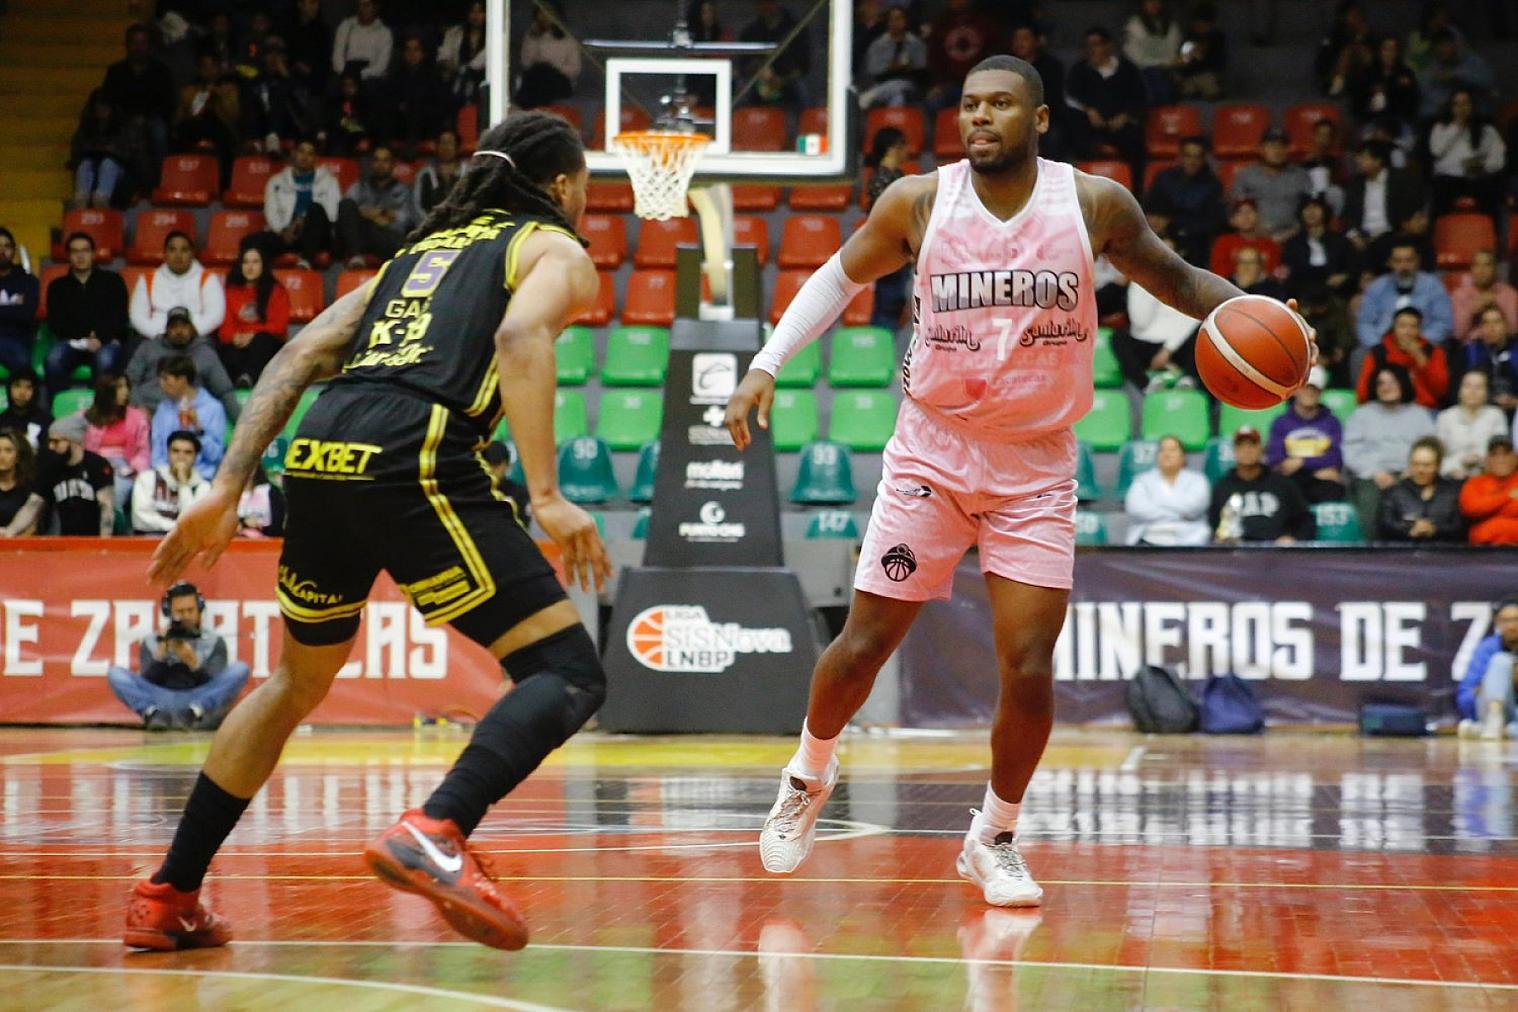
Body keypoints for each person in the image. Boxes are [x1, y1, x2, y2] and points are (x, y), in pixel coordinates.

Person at [723, 55, 1302, 908]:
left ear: (1038, 119)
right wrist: (766, 364)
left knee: (1028, 666)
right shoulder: (918, 202)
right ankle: (809, 773)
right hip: (933, 452)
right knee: (865, 644)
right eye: (968, 105)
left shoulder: (1093, 204)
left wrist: (1270, 318)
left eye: (999, 104)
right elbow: (839, 277)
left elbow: (1180, 282)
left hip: (1036, 465)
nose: (979, 117)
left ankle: (993, 836)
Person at [123, 111, 611, 954]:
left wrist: (227, 485)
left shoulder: (412, 257)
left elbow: (299, 355)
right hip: (413, 450)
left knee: (294, 684)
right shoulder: (552, 248)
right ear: (562, 186)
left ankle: (168, 893)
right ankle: (437, 829)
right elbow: (520, 333)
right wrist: (547, 494)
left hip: (319, 450)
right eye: (587, 190)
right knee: (566, 671)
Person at [107, 582, 250, 730]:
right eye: (180, 612)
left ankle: (193, 713)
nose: (186, 616)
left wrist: (193, 662)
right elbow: (147, 680)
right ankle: (153, 714)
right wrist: (161, 655)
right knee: (115, 673)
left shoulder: (214, 641)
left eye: (190, 610)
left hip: (198, 698)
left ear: (200, 609)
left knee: (240, 669)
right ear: (169, 612)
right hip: (161, 698)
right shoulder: (153, 640)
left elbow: (216, 684)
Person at [1343, 363, 1436, 536]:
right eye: (1381, 383)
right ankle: (1372, 548)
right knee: (1368, 499)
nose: (1386, 387)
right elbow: (1350, 451)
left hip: (1412, 474)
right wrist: (1374, 472)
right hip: (1372, 477)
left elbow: (1431, 449)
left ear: (1403, 383)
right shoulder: (1362, 415)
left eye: (1392, 382)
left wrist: (1414, 469)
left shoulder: (1420, 415)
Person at [45, 232, 130, 395]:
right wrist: (85, 338)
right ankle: (58, 408)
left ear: (93, 254)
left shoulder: (113, 280)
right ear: (68, 256)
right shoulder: (57, 286)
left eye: (85, 250)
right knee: (53, 360)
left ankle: (101, 408)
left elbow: (120, 316)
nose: (80, 256)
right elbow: (56, 322)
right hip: (72, 342)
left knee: (105, 361)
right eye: (75, 251)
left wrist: (100, 337)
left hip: (106, 340)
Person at [1116, 231, 1200, 391]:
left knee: (1203, 330)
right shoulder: (1139, 281)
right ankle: (1146, 385)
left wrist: (1168, 350)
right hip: (1147, 344)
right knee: (1118, 338)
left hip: (1178, 345)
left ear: (1178, 255)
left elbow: (1194, 319)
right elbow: (1140, 322)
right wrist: (1154, 283)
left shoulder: (1190, 280)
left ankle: (1189, 379)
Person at [126, 307, 239, 421]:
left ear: (192, 328)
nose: (179, 331)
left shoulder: (205, 353)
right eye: (174, 327)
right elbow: (129, 381)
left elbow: (224, 391)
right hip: (148, 412)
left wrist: (241, 422)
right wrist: (138, 407)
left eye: (184, 326)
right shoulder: (148, 348)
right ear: (166, 329)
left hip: (188, 415)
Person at [11, 414, 116, 537]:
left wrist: (104, 543)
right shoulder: (52, 467)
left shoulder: (97, 465)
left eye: (56, 441)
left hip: (94, 538)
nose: (51, 446)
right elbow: (34, 504)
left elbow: (106, 506)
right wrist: (10, 531)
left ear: (73, 441)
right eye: (50, 441)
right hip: (65, 538)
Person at [1208, 425, 1315, 543]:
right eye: (1241, 445)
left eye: (1252, 445)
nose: (1247, 450)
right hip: (1237, 550)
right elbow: (1214, 524)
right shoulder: (1222, 487)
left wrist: (1292, 538)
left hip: (1276, 550)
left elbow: (1306, 520)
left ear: (1261, 449)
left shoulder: (1283, 484)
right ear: (1234, 450)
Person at [99, 24, 174, 187]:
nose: (138, 48)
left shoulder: (160, 71)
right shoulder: (115, 71)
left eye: (142, 43)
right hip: (121, 118)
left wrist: (145, 117)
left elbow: (167, 102)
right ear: (127, 45)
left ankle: (162, 182)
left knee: (159, 133)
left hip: (152, 118)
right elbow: (108, 99)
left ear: (149, 46)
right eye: (134, 43)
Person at [1065, 26, 1147, 177]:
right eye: (1087, 46)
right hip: (1090, 126)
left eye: (1096, 45)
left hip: (1121, 125)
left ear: (1109, 46)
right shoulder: (1078, 70)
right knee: (1073, 136)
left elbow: (1140, 98)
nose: (1091, 50)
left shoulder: (1128, 69)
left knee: (1135, 143)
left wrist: (1125, 115)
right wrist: (1088, 110)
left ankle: (1135, 188)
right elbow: (1070, 98)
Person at [1266, 365, 1347, 503]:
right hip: (1292, 481)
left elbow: (1335, 458)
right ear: (1296, 390)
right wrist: (1316, 468)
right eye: (1305, 387)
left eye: (1314, 389)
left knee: (1334, 489)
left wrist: (1300, 462)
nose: (1309, 393)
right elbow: (1277, 461)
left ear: (1321, 392)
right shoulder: (1281, 423)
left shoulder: (1332, 422)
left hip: (1321, 483)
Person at [1143, 136, 1226, 268]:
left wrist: (1177, 224)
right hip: (1162, 235)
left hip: (1195, 242)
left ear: (1204, 159)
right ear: (1180, 156)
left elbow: (1214, 223)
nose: (1192, 161)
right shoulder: (1164, 178)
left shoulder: (1213, 185)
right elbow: (1151, 209)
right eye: (1188, 156)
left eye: (1197, 157)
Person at [129, 232, 227, 342]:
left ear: (192, 253)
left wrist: (189, 333)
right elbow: (137, 317)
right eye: (172, 250)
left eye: (184, 250)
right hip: (156, 339)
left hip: (196, 339)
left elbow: (215, 315)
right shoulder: (147, 279)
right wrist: (163, 336)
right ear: (165, 253)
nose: (178, 255)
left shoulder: (208, 278)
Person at [259, 138, 340, 268]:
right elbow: (271, 211)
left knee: (315, 208)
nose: (305, 157)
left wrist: (304, 220)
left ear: (316, 158)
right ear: (294, 154)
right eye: (301, 151)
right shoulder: (276, 181)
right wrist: (283, 231)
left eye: (310, 153)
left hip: (317, 234)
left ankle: (306, 261)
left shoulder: (329, 181)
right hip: (287, 233)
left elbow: (333, 213)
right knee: (250, 241)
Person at [1355, 243, 1452, 349]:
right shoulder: (1377, 286)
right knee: (1359, 355)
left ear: (1417, 261)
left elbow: (1443, 322)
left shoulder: (1434, 285)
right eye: (1398, 261)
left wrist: (1421, 342)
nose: (1404, 266)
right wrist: (1377, 345)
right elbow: (1365, 322)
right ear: (1390, 263)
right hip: (1382, 343)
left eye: (1409, 260)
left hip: (1423, 344)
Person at [219, 239, 289, 386]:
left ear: (263, 265)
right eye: (246, 262)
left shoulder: (277, 291)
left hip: (266, 344)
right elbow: (225, 328)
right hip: (240, 344)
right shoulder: (230, 292)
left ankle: (248, 377)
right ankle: (239, 381)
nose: (250, 267)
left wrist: (252, 334)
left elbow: (279, 326)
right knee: (229, 351)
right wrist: (235, 337)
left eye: (255, 262)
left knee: (262, 340)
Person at [1428, 87, 1506, 216]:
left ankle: (1496, 227)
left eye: (1465, 103)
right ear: (1451, 107)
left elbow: (1498, 157)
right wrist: (1457, 127)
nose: (1461, 108)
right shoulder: (1440, 128)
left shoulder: (1487, 130)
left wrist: (1482, 167)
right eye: (1456, 104)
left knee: (1493, 189)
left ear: (1472, 106)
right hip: (1448, 179)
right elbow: (1436, 151)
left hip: (1478, 177)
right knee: (1440, 190)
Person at [150, 353, 226, 481]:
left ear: (182, 380)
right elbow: (157, 451)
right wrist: (165, 474)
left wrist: (197, 427)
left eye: (166, 379)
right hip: (166, 477)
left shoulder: (213, 408)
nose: (161, 384)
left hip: (202, 478)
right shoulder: (163, 409)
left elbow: (215, 456)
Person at [336, 146, 415, 268]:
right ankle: (356, 256)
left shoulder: (404, 190)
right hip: (360, 235)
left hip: (386, 237)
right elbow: (346, 211)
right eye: (377, 160)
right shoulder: (359, 187)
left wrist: (382, 212)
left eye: (385, 161)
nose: (380, 165)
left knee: (400, 241)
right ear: (371, 164)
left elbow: (406, 220)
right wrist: (373, 216)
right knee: (346, 205)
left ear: (393, 165)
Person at [863, 127, 911, 332]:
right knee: (887, 307)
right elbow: (887, 222)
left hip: (898, 252)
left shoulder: (895, 176)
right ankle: (878, 348)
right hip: (889, 252)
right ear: (894, 148)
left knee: (893, 305)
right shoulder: (883, 179)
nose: (907, 151)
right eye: (904, 145)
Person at [1123, 433, 1210, 545]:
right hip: (1148, 537)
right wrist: (1179, 515)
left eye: (1172, 450)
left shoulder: (1198, 480)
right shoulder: (1141, 481)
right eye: (1162, 450)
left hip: (1190, 538)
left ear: (1183, 457)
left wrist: (1157, 503)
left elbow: (1193, 508)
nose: (1166, 454)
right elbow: (1136, 509)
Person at [1356, 306, 1449, 408]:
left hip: (1423, 408)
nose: (1407, 332)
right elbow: (1362, 393)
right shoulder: (1379, 353)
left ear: (1419, 330)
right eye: (1402, 326)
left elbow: (1440, 391)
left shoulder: (1433, 352)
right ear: (1394, 328)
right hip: (1385, 408)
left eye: (1413, 327)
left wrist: (1420, 357)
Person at [1230, 129, 1314, 242]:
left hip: (1294, 237)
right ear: (1261, 149)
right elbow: (1237, 209)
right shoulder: (1246, 176)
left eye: (1282, 146)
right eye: (1272, 146)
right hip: (1254, 237)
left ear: (1288, 149)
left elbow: (1311, 209)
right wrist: (1255, 229)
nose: (1277, 151)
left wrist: (1296, 231)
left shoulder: (1301, 176)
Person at [1376, 435, 1464, 541]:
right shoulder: (1394, 493)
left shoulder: (1452, 492)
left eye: (1427, 465)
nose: (1420, 470)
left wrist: (1434, 530)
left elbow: (1460, 527)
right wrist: (1408, 530)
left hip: (1443, 548)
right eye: (1415, 464)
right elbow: (1384, 525)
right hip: (1402, 549)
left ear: (1438, 465)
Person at [1341, 143, 1423, 255]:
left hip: (1392, 235)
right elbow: (1348, 215)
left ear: (1378, 161)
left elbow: (1410, 209)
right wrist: (1353, 236)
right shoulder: (1355, 184)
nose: (1358, 161)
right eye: (1358, 157)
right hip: (1363, 238)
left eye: (1364, 158)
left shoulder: (1399, 180)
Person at [924, 0, 1002, 116]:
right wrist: (937, 83)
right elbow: (934, 57)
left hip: (980, 83)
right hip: (950, 84)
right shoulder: (941, 24)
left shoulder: (984, 22)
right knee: (933, 102)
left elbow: (996, 54)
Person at [83, 372, 151, 504]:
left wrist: (135, 468)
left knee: (116, 491)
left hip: (124, 467)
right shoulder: (84, 418)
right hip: (93, 464)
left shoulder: (138, 418)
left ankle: (112, 515)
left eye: (126, 386)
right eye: (120, 387)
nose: (125, 392)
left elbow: (143, 451)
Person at [1455, 596, 1518, 739]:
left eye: (1516, 620)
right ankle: (1494, 722)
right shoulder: (1487, 648)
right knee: (1501, 661)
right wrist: (1491, 684)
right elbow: (1465, 698)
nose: (1512, 626)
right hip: (1490, 709)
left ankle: (1488, 731)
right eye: (1506, 620)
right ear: (1497, 623)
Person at [132, 430, 212, 535]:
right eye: (175, 451)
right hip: (150, 537)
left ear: (196, 457)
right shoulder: (147, 478)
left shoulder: (203, 487)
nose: (181, 457)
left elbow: (193, 522)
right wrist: (175, 527)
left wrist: (183, 484)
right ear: (168, 453)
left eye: (188, 452)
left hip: (185, 540)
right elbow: (140, 519)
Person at [385, 32, 455, 152]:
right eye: (408, 50)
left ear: (423, 53)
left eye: (416, 50)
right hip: (402, 122)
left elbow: (440, 104)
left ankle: (411, 146)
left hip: (427, 122)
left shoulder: (434, 75)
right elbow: (392, 100)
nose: (411, 54)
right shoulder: (396, 75)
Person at [739, 0, 812, 109]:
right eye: (762, 3)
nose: (767, 7)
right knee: (741, 88)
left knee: (801, 87)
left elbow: (803, 65)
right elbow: (743, 64)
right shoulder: (750, 31)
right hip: (758, 80)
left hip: (787, 80)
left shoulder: (797, 30)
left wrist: (779, 79)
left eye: (771, 3)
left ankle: (802, 118)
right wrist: (759, 69)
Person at [1282, 196, 1355, 300]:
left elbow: (1352, 267)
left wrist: (1343, 276)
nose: (1311, 212)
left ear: (1324, 211)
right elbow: (1290, 273)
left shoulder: (1340, 241)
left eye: (1315, 207)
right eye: (1307, 208)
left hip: (1335, 291)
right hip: (1304, 292)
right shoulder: (1293, 243)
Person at [1437, 369, 1506, 480]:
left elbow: (1501, 452)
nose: (1472, 391)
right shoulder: (1445, 417)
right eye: (1467, 386)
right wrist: (1453, 469)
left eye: (1478, 387)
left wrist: (1480, 461)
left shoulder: (1495, 415)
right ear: (1459, 390)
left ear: (1487, 392)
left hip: (1488, 475)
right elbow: (1438, 456)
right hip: (1452, 476)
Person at [71, 89, 134, 208]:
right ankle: (81, 198)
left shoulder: (123, 127)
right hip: (92, 164)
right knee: (85, 165)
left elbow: (128, 153)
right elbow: (77, 150)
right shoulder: (86, 128)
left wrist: (110, 152)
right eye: (98, 107)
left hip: (117, 168)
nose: (101, 110)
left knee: (108, 164)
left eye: (104, 106)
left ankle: (102, 198)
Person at [515, 0, 580, 108]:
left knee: (546, 74)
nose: (545, 17)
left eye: (548, 13)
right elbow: (526, 62)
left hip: (559, 78)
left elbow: (575, 68)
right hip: (536, 75)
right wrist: (535, 39)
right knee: (539, 73)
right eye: (541, 13)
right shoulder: (531, 35)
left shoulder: (568, 39)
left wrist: (554, 67)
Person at [1417, 29, 1494, 120]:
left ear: (1455, 46)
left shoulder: (1473, 63)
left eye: (1445, 45)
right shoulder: (1430, 72)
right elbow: (1424, 104)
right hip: (1441, 120)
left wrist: (1455, 76)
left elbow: (1487, 83)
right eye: (1437, 46)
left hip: (1475, 117)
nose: (1441, 50)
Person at [861, 7, 928, 110]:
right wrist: (890, 67)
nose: (895, 23)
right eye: (891, 20)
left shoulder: (916, 43)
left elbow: (922, 68)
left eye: (898, 19)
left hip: (910, 83)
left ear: (905, 21)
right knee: (898, 97)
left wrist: (910, 67)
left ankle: (872, 95)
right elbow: (872, 69)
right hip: (882, 83)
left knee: (901, 85)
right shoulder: (878, 44)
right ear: (887, 23)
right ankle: (892, 119)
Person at [1353, 34, 1421, 133]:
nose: (1389, 53)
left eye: (1392, 49)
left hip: (1399, 122)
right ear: (1380, 51)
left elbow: (1412, 102)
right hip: (1372, 121)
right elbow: (1359, 100)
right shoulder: (1369, 72)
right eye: (1386, 49)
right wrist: (1368, 106)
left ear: (1397, 53)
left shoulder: (1406, 73)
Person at [1460, 434, 1518, 544]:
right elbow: (1471, 508)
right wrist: (1507, 496)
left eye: (1506, 454)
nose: (1501, 459)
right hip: (1483, 549)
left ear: (1515, 458)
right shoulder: (1474, 483)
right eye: (1495, 454)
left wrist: (1488, 512)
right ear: (1487, 459)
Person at [1459, 306, 1518, 412]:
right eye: (1486, 323)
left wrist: (1515, 402)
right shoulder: (1470, 351)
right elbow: (1458, 389)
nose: (1491, 328)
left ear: (1506, 326)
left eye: (1497, 322)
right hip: (1478, 410)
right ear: (1480, 328)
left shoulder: (1516, 349)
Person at [1122, 0, 1181, 104]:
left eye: (1157, 1)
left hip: (1169, 70)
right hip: (1142, 71)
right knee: (1154, 76)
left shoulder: (1171, 26)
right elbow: (1136, 59)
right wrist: (1163, 63)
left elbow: (1174, 51)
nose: (1154, 4)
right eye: (1150, 1)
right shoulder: (1134, 26)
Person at [0, 227, 39, 379]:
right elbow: (19, 312)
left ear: (13, 251)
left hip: (17, 341)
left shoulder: (27, 280)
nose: (2, 251)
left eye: (7, 246)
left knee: (22, 362)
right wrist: (13, 307)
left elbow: (27, 314)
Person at [1451, 250, 1517, 340]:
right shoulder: (1459, 295)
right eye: (1477, 265)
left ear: (1495, 269)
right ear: (1471, 269)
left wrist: (1496, 304)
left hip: (1503, 345)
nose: (1481, 270)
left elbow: (1514, 330)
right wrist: (1471, 310)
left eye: (1487, 265)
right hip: (1471, 346)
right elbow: (1457, 334)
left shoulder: (1510, 294)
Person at [1208, 199, 1280, 279]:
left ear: (1258, 216)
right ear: (1232, 220)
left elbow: (1273, 275)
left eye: (1249, 211)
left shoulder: (1270, 245)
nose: (1245, 216)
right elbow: (1218, 275)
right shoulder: (1223, 243)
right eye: (1239, 213)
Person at [439, 1, 487, 105]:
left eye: (480, 12)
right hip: (455, 85)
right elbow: (443, 58)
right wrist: (457, 69)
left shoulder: (493, 35)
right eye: (472, 11)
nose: (476, 16)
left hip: (482, 87)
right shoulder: (455, 33)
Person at [332, 0, 392, 83]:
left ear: (375, 7)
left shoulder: (384, 32)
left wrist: (358, 75)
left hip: (371, 78)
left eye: (366, 5)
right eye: (360, 5)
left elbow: (381, 66)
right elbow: (337, 58)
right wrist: (347, 74)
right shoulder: (346, 26)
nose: (362, 9)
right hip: (346, 76)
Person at [413, 129, 467, 219]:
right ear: (436, 146)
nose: (446, 147)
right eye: (442, 143)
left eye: (450, 143)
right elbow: (417, 206)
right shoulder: (424, 175)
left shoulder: (468, 173)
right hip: (430, 224)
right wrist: (429, 223)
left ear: (458, 147)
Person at [0, 429, 38, 537]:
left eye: (8, 451)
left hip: (22, 543)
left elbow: (32, 526)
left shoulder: (30, 487)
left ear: (18, 456)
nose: (1, 456)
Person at [0, 368, 51, 448]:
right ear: (9, 389)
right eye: (17, 386)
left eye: (28, 387)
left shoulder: (46, 421)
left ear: (35, 391)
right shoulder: (2, 420)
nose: (22, 393)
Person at [235, 466, 285, 537]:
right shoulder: (227, 493)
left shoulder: (272, 492)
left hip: (267, 540)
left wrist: (258, 526)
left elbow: (278, 525)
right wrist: (243, 522)